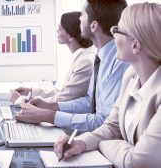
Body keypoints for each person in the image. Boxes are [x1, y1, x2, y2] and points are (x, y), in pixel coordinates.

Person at [54, 3, 161, 167]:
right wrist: (81, 142)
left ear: (135, 45)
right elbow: (112, 126)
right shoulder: (131, 77)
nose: (113, 34)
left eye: (118, 30)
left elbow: (138, 161)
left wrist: (102, 144)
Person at [15, 0, 129, 133]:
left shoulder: (120, 62)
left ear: (93, 26)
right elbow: (90, 102)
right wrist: (50, 106)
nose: (79, 18)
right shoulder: (102, 57)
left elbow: (103, 122)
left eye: (83, 14)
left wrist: (47, 115)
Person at [10, 11, 95, 104]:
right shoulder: (80, 57)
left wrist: (21, 101)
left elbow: (64, 98)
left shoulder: (85, 61)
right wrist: (31, 91)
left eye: (59, 28)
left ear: (70, 35)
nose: (57, 31)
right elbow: (62, 91)